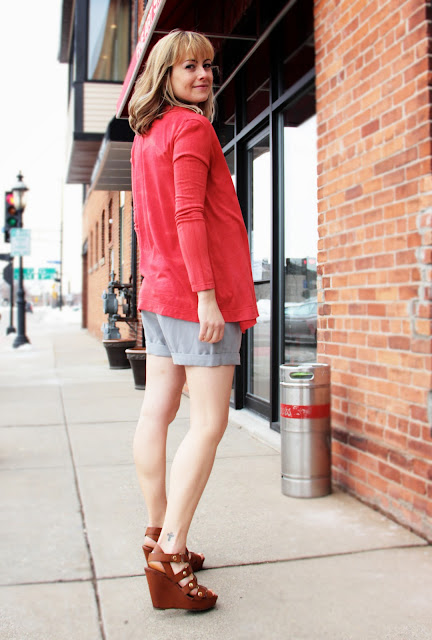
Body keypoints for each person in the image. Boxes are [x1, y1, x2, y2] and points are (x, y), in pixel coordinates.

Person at [128, 29, 258, 611]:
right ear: (166, 74)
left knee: (156, 411)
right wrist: (207, 296)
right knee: (209, 421)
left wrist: (158, 285)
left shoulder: (147, 134)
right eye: (189, 67)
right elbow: (188, 215)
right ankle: (171, 553)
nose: (204, 74)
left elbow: (145, 222)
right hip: (196, 295)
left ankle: (157, 531)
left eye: (208, 64)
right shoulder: (191, 127)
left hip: (160, 291)